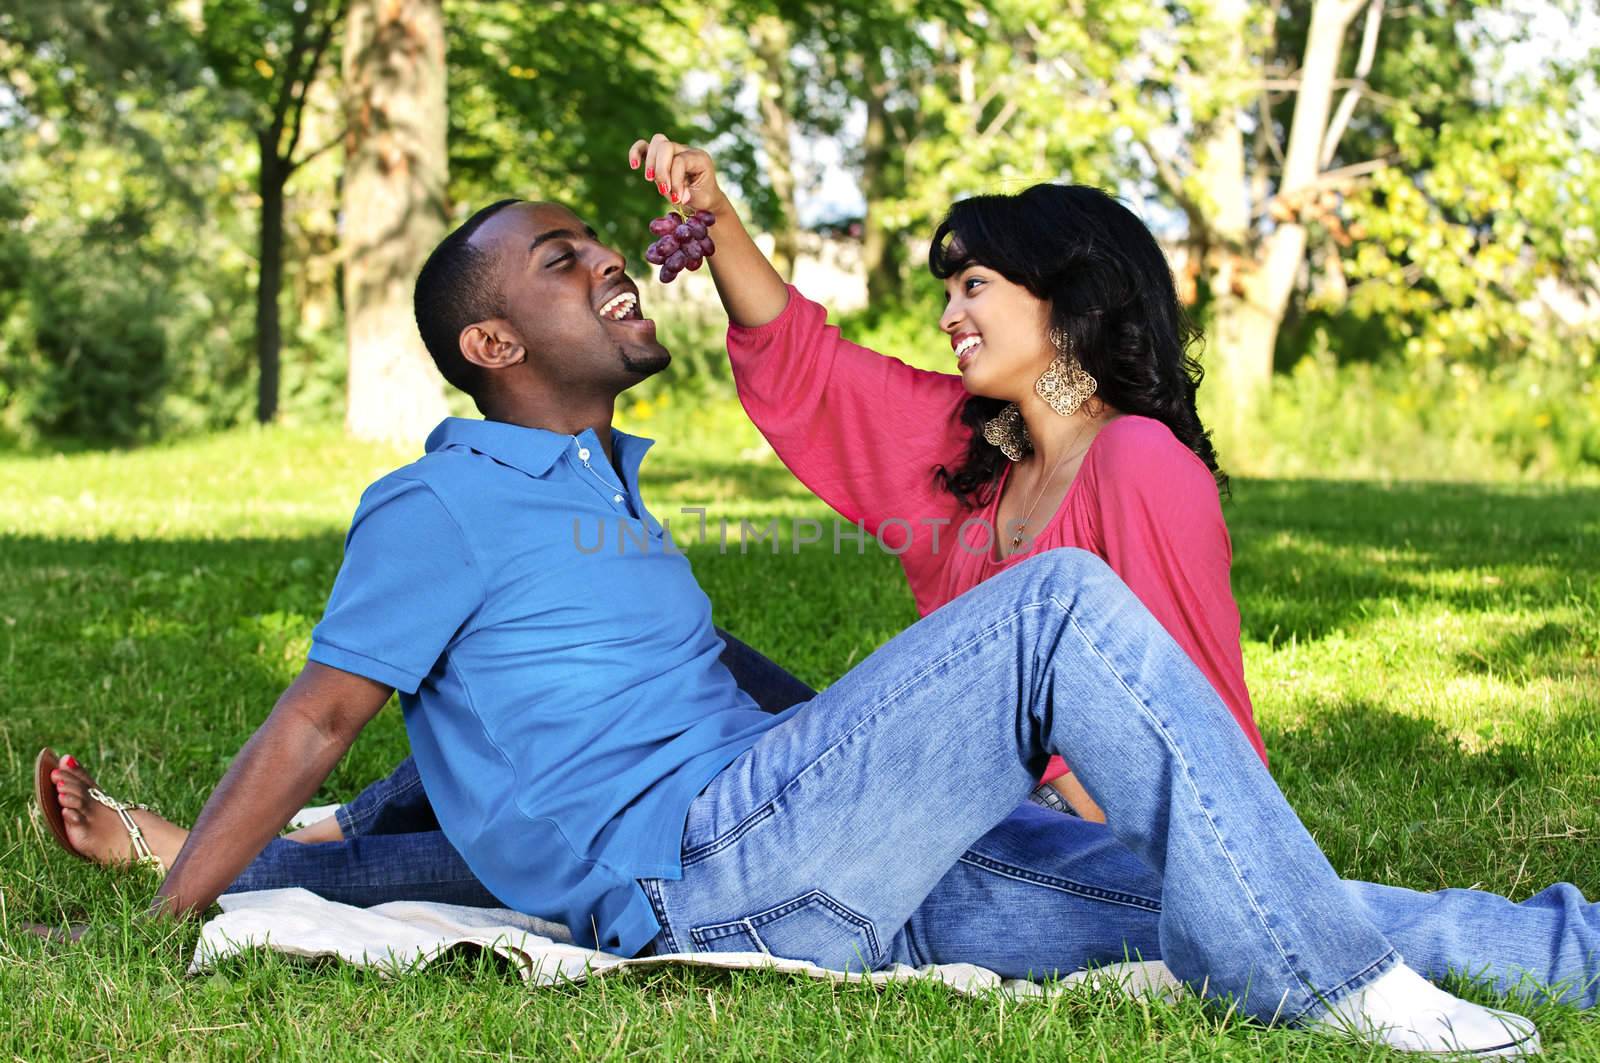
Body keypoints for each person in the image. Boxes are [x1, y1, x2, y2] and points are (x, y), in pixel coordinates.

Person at [34, 194, 1598, 1057]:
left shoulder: (606, 501)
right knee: (1058, 613)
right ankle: (1332, 995)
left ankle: (1561, 950)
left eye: (604, 244)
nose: (612, 271)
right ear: (497, 341)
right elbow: (330, 720)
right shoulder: (443, 509)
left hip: (827, 837)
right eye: (570, 266)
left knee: (1198, 909)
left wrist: (196, 842)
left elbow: (477, 805)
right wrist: (181, 894)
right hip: (727, 863)